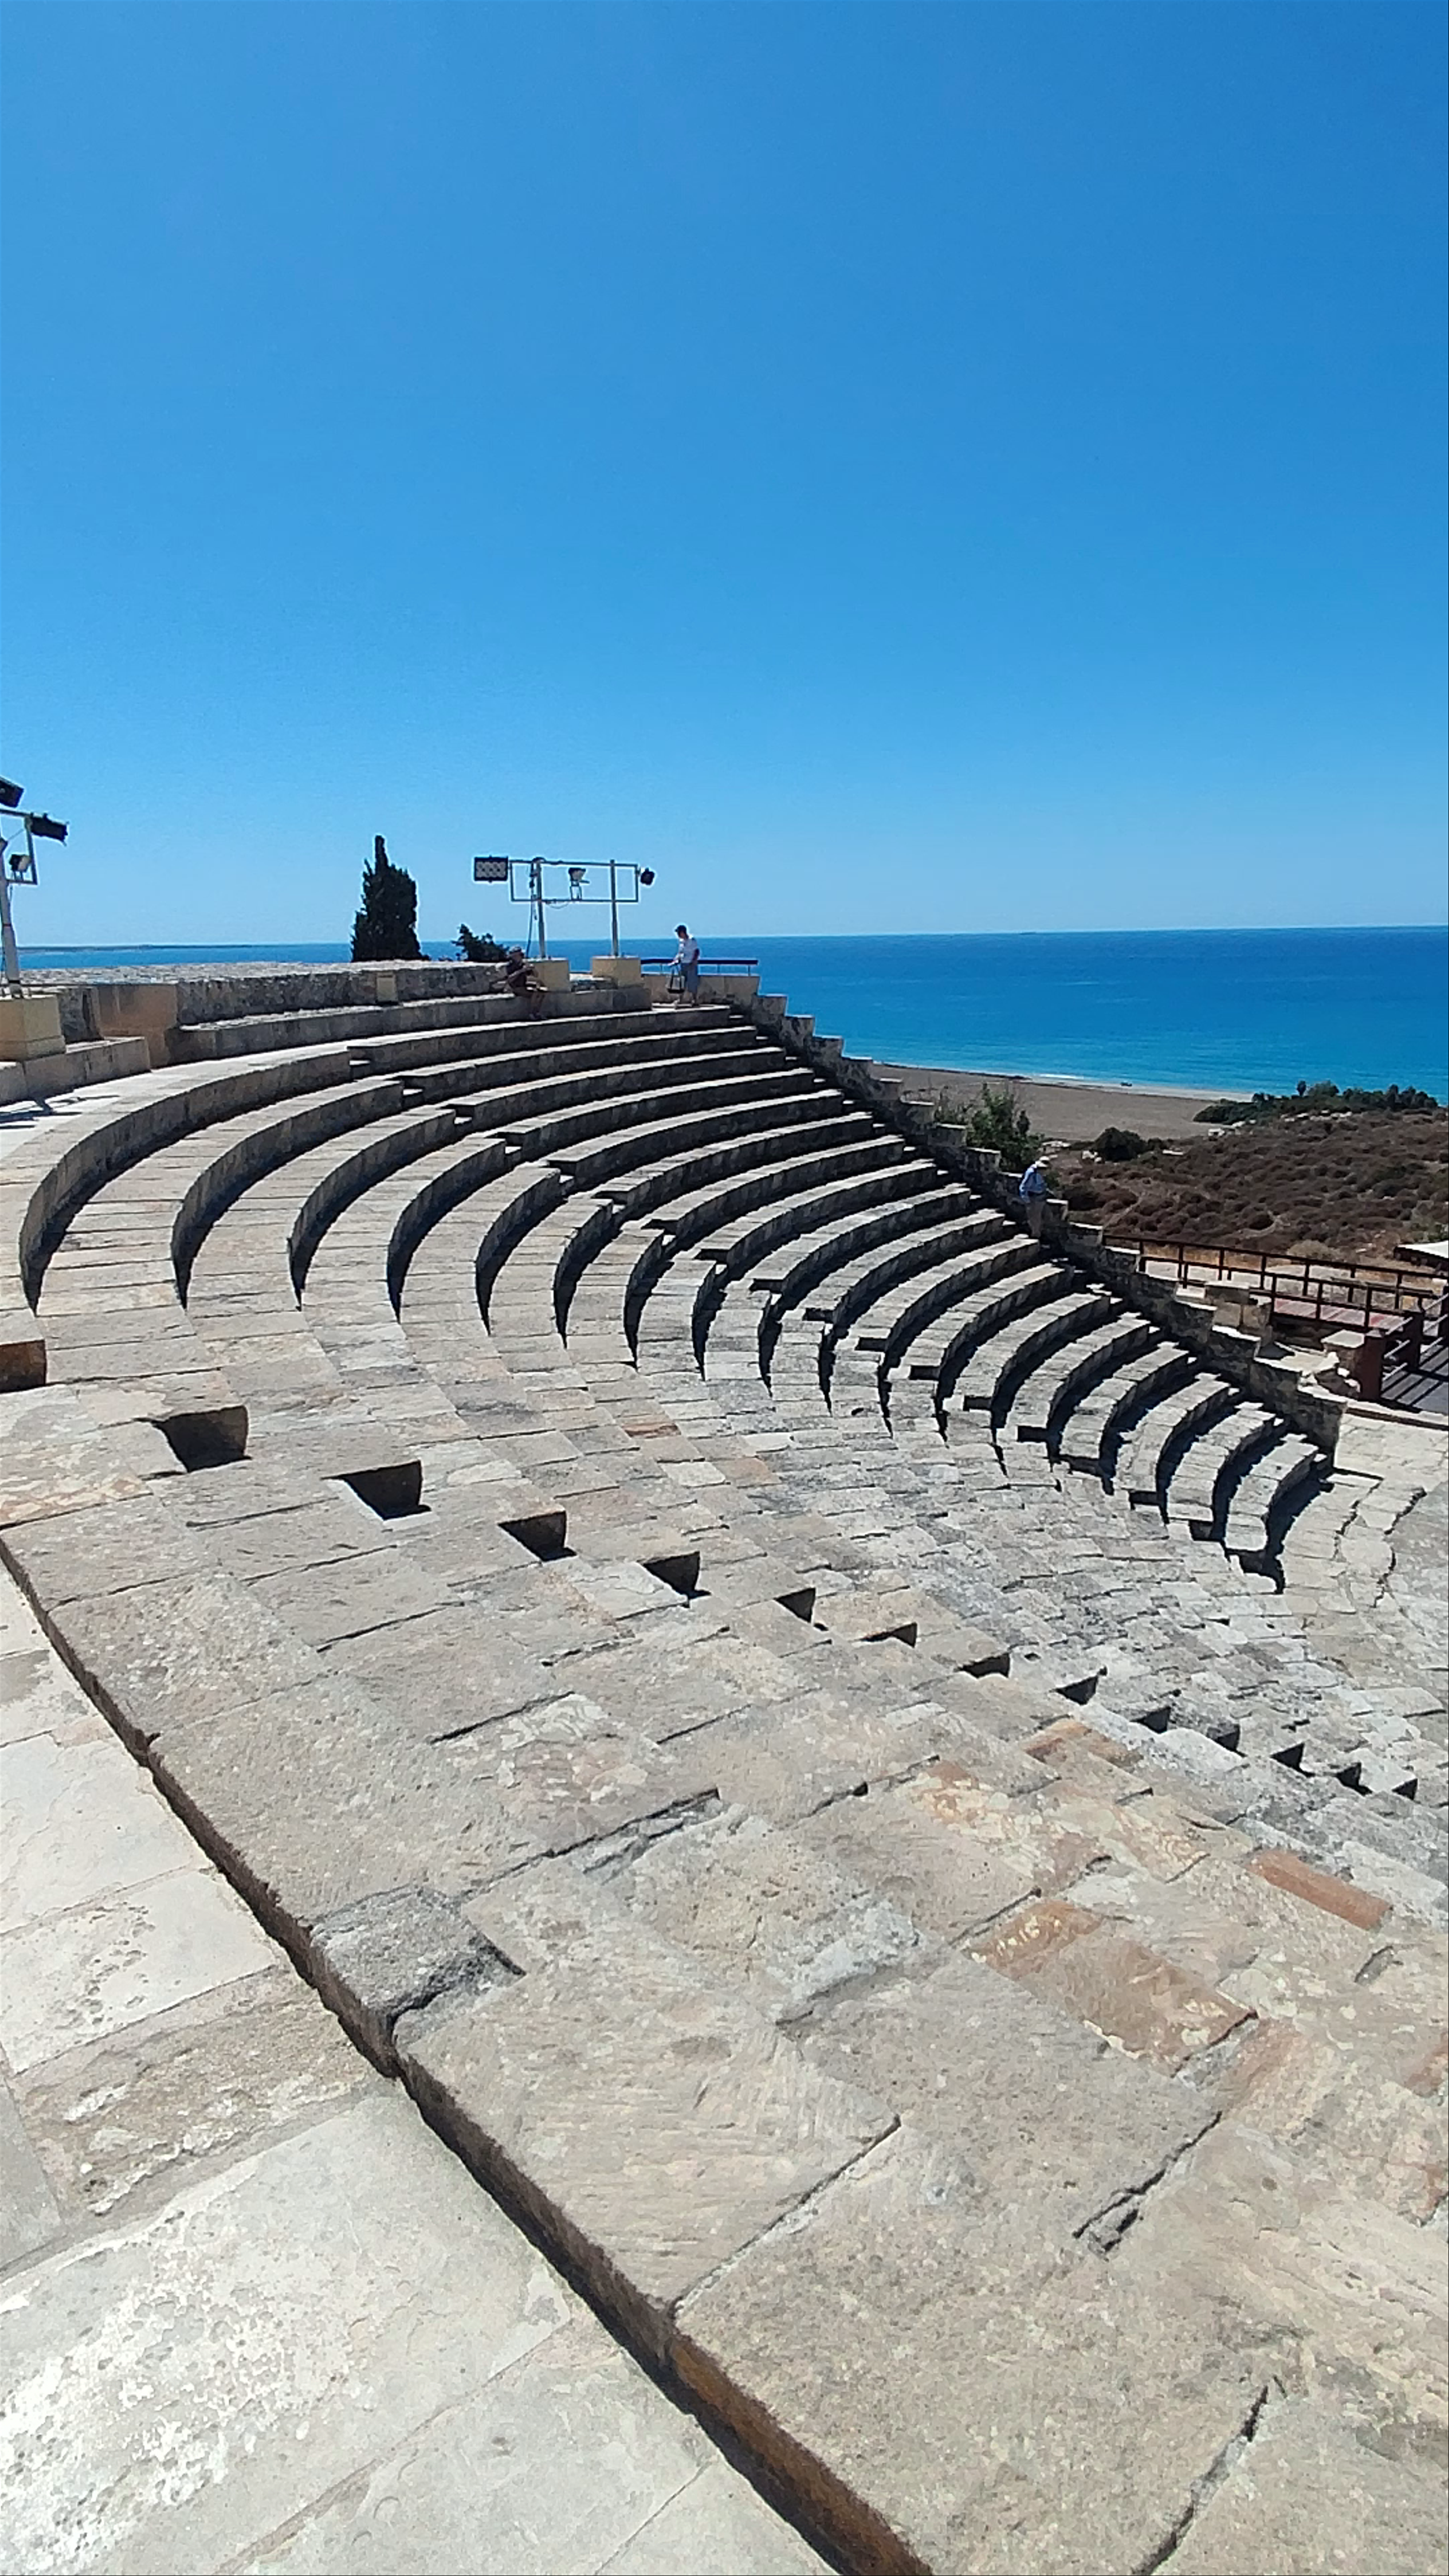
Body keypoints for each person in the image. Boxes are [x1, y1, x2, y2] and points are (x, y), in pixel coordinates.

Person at [503, 945, 545, 1019]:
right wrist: (521, 971)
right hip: (515, 987)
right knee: (535, 993)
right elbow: (510, 979)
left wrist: (533, 969)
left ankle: (537, 1011)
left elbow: (536, 976)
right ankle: (532, 1013)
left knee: (542, 991)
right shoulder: (510, 966)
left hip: (524, 985)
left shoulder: (523, 964)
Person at [1019, 1155, 1051, 1237]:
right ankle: (1036, 1236)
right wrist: (1026, 1200)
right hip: (1033, 1197)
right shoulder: (1032, 1173)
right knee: (1034, 1219)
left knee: (1041, 1218)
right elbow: (1024, 1187)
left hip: (1041, 1197)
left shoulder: (1041, 1174)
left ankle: (1038, 1235)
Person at [671, 924, 701, 1007]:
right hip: (683, 963)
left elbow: (697, 951)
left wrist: (694, 961)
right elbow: (681, 953)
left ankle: (694, 1000)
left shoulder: (692, 940)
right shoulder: (681, 942)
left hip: (691, 963)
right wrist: (676, 960)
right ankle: (680, 999)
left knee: (692, 982)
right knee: (682, 982)